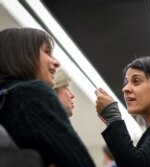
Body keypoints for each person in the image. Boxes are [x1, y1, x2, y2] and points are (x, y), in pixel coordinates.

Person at [0, 27, 95, 167]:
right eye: (47, 52)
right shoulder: (32, 94)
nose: (56, 62)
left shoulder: (5, 99)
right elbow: (79, 162)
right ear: (25, 55)